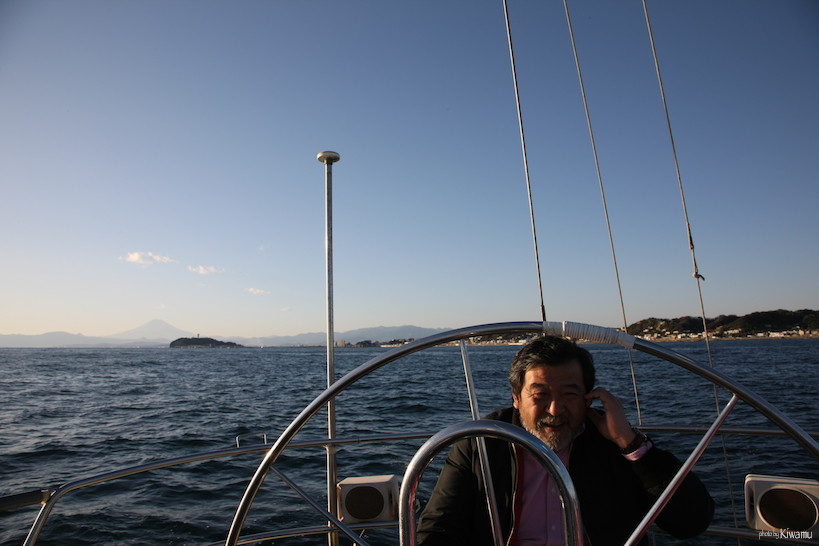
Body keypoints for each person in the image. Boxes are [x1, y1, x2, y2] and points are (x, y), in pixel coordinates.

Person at [416, 335, 714, 546]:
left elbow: (691, 522)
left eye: (569, 394)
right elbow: (440, 528)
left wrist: (631, 443)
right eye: (540, 395)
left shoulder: (615, 443)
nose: (555, 409)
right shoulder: (480, 442)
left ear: (589, 397)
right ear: (516, 398)